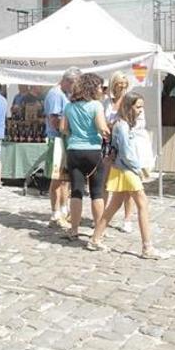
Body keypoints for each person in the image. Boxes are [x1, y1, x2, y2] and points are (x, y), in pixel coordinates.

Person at [89, 92, 161, 259]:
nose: (141, 110)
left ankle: (95, 239)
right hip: (126, 169)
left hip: (121, 168)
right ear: (129, 107)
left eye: (142, 106)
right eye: (138, 107)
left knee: (114, 206)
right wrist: (139, 168)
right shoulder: (122, 126)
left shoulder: (123, 124)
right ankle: (147, 247)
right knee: (143, 203)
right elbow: (127, 153)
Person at [60, 74, 110, 242]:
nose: (101, 90)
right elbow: (102, 128)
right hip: (93, 151)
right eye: (99, 87)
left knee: (76, 191)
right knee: (96, 192)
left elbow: (63, 129)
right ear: (92, 88)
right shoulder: (96, 105)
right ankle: (99, 230)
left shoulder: (69, 107)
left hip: (74, 150)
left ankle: (73, 229)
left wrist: (76, 132)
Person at [45, 67, 81, 229]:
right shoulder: (55, 94)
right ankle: (55, 211)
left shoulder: (65, 95)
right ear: (67, 81)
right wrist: (68, 129)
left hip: (65, 139)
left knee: (65, 178)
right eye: (74, 84)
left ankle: (64, 208)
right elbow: (54, 119)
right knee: (57, 177)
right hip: (58, 139)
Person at [103, 72, 137, 233]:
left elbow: (134, 123)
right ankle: (102, 215)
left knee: (127, 185)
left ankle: (127, 218)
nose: (122, 86)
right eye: (118, 83)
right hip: (107, 144)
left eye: (124, 83)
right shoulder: (106, 102)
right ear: (113, 84)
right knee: (105, 182)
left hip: (123, 146)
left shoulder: (129, 100)